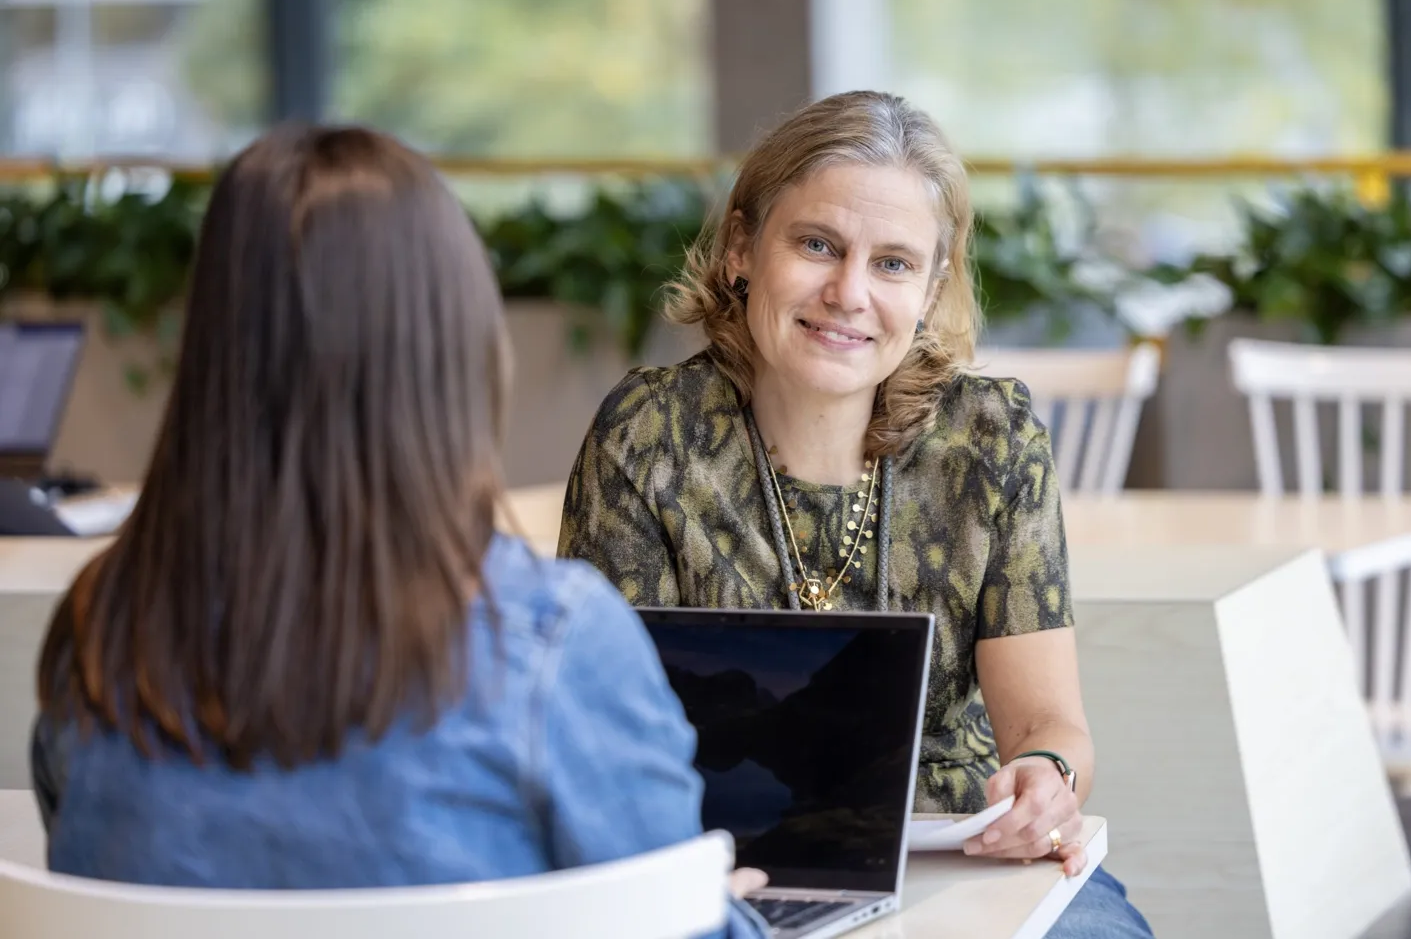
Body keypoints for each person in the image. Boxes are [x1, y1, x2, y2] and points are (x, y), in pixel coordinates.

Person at [30, 124, 768, 938]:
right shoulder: (550, 642)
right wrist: (721, 908)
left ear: (210, 353)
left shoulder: (100, 638)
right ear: (459, 349)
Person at [558, 91, 1154, 937]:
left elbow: (1049, 729)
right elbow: (598, 736)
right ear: (740, 248)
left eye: (894, 264)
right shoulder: (648, 436)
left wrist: (1045, 779)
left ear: (932, 285)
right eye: (816, 245)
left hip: (954, 856)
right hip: (721, 867)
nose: (848, 292)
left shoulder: (991, 437)